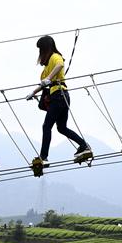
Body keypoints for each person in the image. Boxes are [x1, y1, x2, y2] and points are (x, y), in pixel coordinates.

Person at [24, 36, 92, 167]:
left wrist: (49, 78)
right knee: (61, 128)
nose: (39, 52)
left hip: (59, 95)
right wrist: (33, 92)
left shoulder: (55, 57)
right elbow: (44, 83)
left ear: (45, 48)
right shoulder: (47, 66)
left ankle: (43, 157)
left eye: (40, 49)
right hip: (60, 96)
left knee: (46, 126)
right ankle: (83, 145)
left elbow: (60, 65)